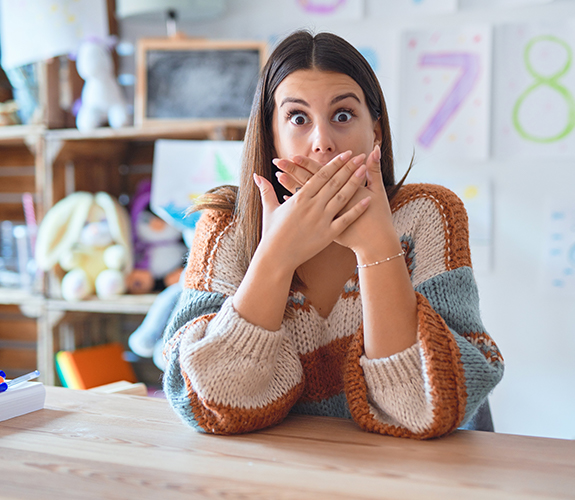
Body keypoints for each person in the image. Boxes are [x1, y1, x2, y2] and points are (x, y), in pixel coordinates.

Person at [162, 30, 504, 438]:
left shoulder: (427, 214)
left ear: (375, 132)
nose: (322, 142)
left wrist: (377, 246)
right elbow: (210, 407)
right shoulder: (225, 227)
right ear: (270, 133)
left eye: (342, 115)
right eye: (298, 118)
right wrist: (276, 255)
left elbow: (421, 410)